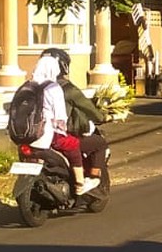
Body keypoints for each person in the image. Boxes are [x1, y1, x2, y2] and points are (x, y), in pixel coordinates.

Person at [28, 52, 99, 196]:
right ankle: (80, 183)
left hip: (26, 136)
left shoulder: (28, 87)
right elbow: (61, 117)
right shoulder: (53, 88)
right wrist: (63, 130)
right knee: (74, 146)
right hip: (47, 135)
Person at [42, 48, 109, 190]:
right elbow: (87, 108)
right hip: (58, 136)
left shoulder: (34, 86)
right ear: (63, 66)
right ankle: (91, 179)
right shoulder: (66, 88)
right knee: (100, 143)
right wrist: (102, 117)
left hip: (36, 137)